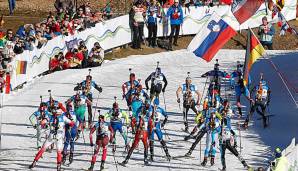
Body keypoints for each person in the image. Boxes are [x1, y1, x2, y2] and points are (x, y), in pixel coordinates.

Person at [219, 100, 249, 171]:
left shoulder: (230, 110)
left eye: (227, 104)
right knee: (222, 155)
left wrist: (238, 115)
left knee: (236, 153)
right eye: (225, 104)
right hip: (222, 139)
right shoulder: (221, 109)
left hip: (227, 135)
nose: (226, 105)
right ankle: (224, 167)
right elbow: (218, 114)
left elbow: (235, 113)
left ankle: (245, 164)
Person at [121, 101, 150, 166]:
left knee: (133, 146)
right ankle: (145, 160)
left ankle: (126, 160)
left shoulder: (138, 117)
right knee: (146, 145)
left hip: (139, 132)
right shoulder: (147, 117)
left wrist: (132, 127)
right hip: (144, 133)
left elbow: (133, 120)